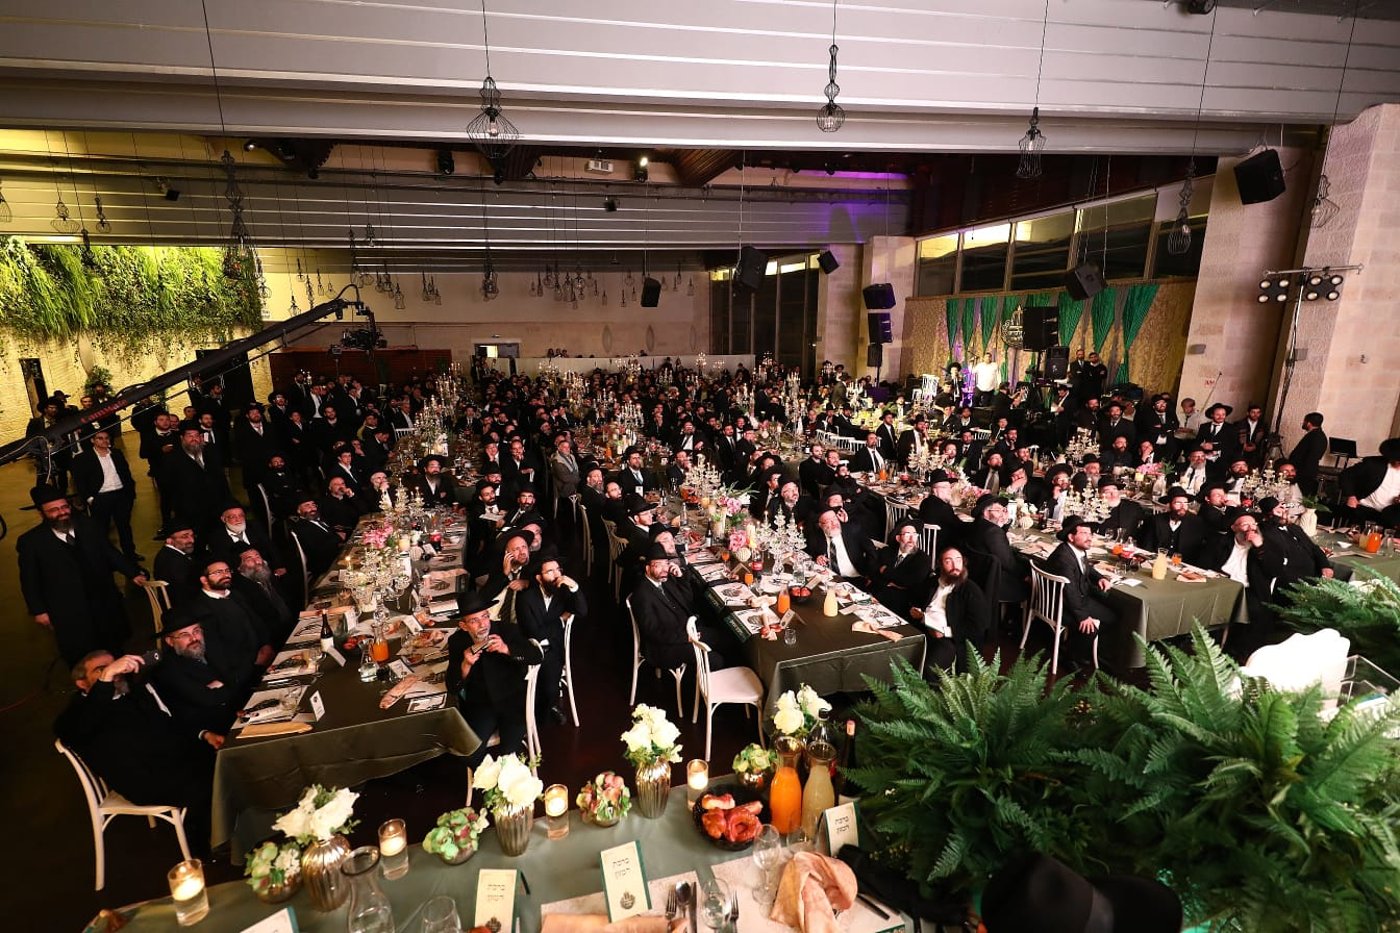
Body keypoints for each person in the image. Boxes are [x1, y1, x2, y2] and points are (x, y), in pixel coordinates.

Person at [53, 651, 216, 854]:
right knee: (210, 779)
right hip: (143, 781)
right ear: (81, 683)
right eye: (101, 669)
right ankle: (203, 847)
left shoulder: (131, 695)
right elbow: (79, 728)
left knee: (222, 759)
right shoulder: (76, 714)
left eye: (114, 665)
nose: (115, 672)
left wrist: (203, 734)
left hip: (171, 763)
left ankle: (228, 828)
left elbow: (169, 725)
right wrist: (106, 678)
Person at [18, 486, 147, 666]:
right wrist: (38, 610)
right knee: (80, 652)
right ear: (42, 513)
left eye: (64, 507)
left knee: (114, 645)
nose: (62, 513)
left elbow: (109, 552)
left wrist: (132, 573)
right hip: (69, 609)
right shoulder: (31, 542)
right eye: (54, 510)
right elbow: (29, 580)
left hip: (102, 600)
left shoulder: (88, 526)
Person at [445, 590, 543, 766]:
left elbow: (537, 656)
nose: (482, 624)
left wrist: (507, 649)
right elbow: (452, 687)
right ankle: (488, 779)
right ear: (463, 626)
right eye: (474, 621)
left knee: (510, 757)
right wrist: (465, 665)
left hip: (513, 702)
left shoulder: (508, 630)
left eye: (484, 616)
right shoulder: (457, 642)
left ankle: (506, 779)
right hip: (481, 706)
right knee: (469, 755)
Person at [630, 545, 729, 672]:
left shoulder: (664, 579)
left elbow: (687, 601)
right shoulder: (642, 594)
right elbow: (653, 632)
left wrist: (680, 577)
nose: (664, 569)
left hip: (685, 629)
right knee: (715, 660)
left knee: (724, 639)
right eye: (658, 565)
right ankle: (703, 684)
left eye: (666, 564)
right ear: (647, 568)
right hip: (664, 646)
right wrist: (686, 637)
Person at [515, 553, 587, 724]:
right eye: (549, 571)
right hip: (531, 649)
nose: (556, 575)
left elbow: (582, 611)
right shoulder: (526, 598)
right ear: (539, 578)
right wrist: (560, 621)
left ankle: (548, 709)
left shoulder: (563, 592)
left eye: (558, 570)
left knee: (549, 688)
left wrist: (574, 587)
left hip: (554, 650)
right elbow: (535, 633)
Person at [151, 612, 247, 738]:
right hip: (217, 731)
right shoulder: (169, 669)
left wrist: (222, 684)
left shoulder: (211, 648)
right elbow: (208, 699)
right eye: (185, 635)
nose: (194, 638)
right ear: (170, 641)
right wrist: (228, 683)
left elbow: (240, 673)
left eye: (196, 631)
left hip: (241, 712)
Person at [1044, 517, 1118, 672]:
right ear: (1071, 537)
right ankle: (1071, 658)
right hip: (1059, 605)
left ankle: (1082, 649)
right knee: (1091, 628)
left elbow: (1087, 568)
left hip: (1073, 598)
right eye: (1084, 533)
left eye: (1090, 533)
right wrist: (1083, 617)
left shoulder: (1076, 550)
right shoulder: (1064, 558)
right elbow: (1069, 591)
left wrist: (1100, 578)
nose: (1089, 537)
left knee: (1112, 615)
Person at [910, 546, 991, 672]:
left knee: (929, 669)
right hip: (923, 629)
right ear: (940, 564)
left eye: (958, 560)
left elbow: (978, 626)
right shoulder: (932, 582)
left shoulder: (971, 590)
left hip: (951, 640)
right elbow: (916, 599)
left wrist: (944, 632)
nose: (955, 566)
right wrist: (916, 611)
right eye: (948, 561)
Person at [70, 428, 141, 562]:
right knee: (102, 529)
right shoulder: (84, 458)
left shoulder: (117, 453)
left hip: (121, 495)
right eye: (100, 438)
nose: (104, 441)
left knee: (125, 527)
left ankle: (130, 555)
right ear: (92, 440)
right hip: (101, 497)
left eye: (106, 438)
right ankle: (106, 557)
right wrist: (90, 498)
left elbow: (126, 474)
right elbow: (80, 481)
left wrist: (130, 493)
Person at [867, 520, 929, 618]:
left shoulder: (923, 559)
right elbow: (873, 572)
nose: (912, 539)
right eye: (907, 534)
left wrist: (885, 571)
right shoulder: (887, 551)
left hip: (900, 604)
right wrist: (892, 582)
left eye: (915, 534)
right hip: (876, 594)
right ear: (898, 538)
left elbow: (910, 581)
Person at [1339, 437, 1400, 527]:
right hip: (1364, 510)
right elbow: (1346, 475)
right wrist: (1351, 496)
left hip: (1388, 517)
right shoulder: (1373, 464)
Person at [1138, 487, 1207, 565]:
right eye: (1178, 503)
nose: (1183, 506)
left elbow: (1194, 552)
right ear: (1169, 504)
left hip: (1181, 565)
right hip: (1155, 561)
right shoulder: (1156, 520)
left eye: (1185, 503)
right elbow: (1147, 546)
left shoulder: (1196, 523)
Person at [807, 508, 875, 581]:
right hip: (829, 577)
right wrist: (817, 557)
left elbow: (871, 551)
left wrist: (870, 574)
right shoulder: (816, 536)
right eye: (828, 521)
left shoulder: (852, 530)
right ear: (820, 525)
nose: (834, 523)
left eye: (834, 518)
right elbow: (812, 553)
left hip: (855, 578)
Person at [153, 521, 200, 607]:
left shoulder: (166, 553)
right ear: (169, 541)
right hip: (183, 609)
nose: (192, 540)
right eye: (185, 536)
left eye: (192, 536)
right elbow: (186, 591)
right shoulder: (174, 561)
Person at [916, 470, 961, 551]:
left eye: (950, 487)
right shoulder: (944, 507)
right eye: (945, 487)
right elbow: (958, 526)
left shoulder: (925, 502)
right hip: (940, 549)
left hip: (924, 545)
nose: (949, 490)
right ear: (935, 490)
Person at [1288, 412, 1328, 497]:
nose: (1303, 423)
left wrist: (1296, 471)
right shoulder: (1319, 436)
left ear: (1309, 423)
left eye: (1304, 421)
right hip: (1305, 472)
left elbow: (1311, 457)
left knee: (1298, 495)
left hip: (1303, 474)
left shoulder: (1315, 436)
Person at [1094, 476, 1145, 542]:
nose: (1113, 494)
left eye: (1115, 490)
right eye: (1107, 492)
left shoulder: (1133, 507)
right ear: (1100, 495)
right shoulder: (1094, 509)